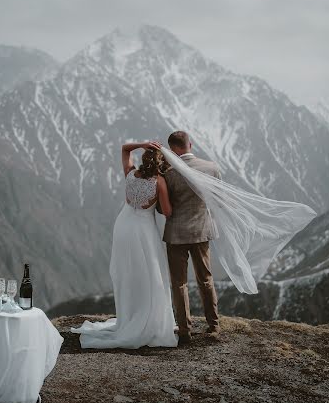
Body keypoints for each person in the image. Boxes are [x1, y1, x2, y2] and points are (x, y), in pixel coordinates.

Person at [71, 141, 178, 349]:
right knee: (150, 273)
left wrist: (143, 144)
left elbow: (124, 148)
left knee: (127, 272)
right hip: (144, 230)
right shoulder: (160, 182)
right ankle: (147, 317)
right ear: (159, 163)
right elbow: (167, 212)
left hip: (124, 226)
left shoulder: (130, 174)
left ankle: (128, 317)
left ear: (143, 160)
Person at [159, 131, 222, 343]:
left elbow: (162, 208)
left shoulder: (169, 174)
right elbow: (218, 197)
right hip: (202, 231)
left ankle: (185, 330)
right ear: (190, 145)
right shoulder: (211, 168)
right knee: (206, 279)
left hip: (176, 234)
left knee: (179, 283)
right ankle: (213, 326)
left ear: (172, 149)